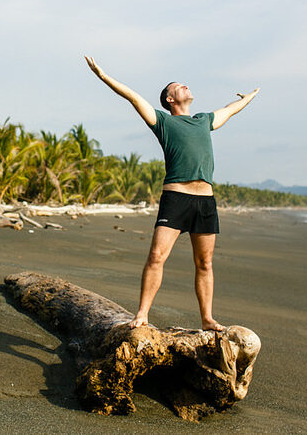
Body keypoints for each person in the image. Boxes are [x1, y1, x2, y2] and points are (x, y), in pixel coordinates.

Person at [85, 56, 259, 331]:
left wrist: (248, 98)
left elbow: (230, 109)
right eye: (179, 87)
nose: (186, 87)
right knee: (156, 256)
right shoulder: (163, 122)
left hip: (205, 201)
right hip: (176, 199)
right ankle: (142, 314)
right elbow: (132, 96)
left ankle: (207, 318)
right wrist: (104, 76)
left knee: (205, 263)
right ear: (169, 99)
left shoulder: (204, 121)